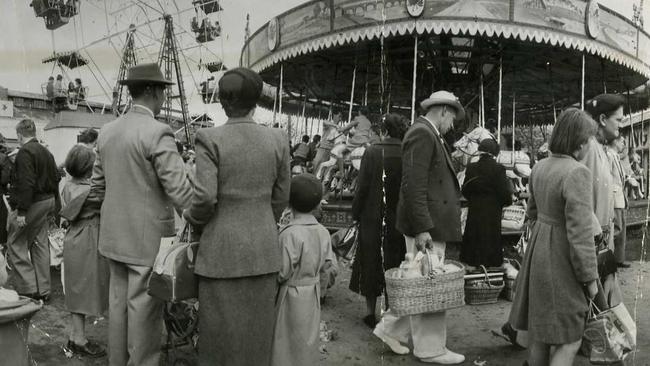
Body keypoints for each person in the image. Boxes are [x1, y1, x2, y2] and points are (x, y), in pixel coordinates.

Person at [182, 67, 290, 366]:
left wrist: (191, 216)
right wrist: (260, 221)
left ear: (222, 101)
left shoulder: (210, 138)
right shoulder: (278, 139)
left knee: (219, 341)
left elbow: (204, 197)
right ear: (256, 101)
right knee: (256, 338)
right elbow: (281, 197)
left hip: (221, 252)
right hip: (263, 250)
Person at [87, 63, 193, 366]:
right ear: (152, 91)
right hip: (147, 240)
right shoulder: (158, 131)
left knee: (118, 307)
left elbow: (97, 187)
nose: (164, 98)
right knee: (145, 315)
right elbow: (180, 191)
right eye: (163, 91)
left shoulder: (107, 131)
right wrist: (200, 218)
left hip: (113, 237)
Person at [373, 91, 466, 364]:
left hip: (428, 223)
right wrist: (423, 227)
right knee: (430, 285)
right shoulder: (422, 134)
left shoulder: (427, 133)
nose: (453, 124)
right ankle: (430, 348)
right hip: (427, 226)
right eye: (453, 117)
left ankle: (389, 330)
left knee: (417, 281)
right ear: (444, 111)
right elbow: (413, 185)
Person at [509, 108, 599, 366]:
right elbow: (580, 234)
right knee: (570, 337)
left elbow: (532, 212)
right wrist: (590, 279)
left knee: (540, 332)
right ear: (581, 144)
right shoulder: (577, 172)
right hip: (562, 260)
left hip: (538, 254)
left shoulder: (539, 167)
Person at [270, 173, 337, 366]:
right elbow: (327, 265)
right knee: (307, 338)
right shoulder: (323, 231)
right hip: (312, 292)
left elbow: (282, 272)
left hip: (290, 293)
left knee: (285, 337)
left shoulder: (289, 234)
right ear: (317, 203)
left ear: (289, 203)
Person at [350, 114, 408, 328]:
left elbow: (362, 187)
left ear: (383, 131)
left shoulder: (372, 152)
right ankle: (393, 310)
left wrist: (356, 213)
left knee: (371, 261)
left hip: (373, 217)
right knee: (397, 262)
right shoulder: (407, 152)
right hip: (400, 218)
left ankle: (369, 312)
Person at [59, 145, 108, 358]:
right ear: (89, 169)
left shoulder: (68, 185)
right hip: (88, 240)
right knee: (85, 292)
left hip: (74, 239)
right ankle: (79, 339)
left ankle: (75, 335)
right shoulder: (92, 192)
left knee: (76, 290)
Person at [7, 119, 60, 301]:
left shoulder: (24, 152)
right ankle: (43, 290)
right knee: (40, 243)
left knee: (16, 242)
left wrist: (21, 212)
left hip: (33, 203)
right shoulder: (46, 151)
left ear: (20, 135)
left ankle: (28, 288)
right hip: (48, 201)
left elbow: (26, 182)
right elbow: (56, 178)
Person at [582, 93, 625, 309]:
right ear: (601, 119)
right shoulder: (588, 148)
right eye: (618, 120)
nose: (621, 125)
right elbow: (581, 199)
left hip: (600, 243)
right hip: (590, 242)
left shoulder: (601, 149)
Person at [460, 138, 512, 268]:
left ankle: (472, 266)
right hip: (492, 211)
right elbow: (503, 192)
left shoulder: (471, 167)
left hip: (475, 209)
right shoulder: (499, 169)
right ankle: (490, 268)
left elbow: (465, 189)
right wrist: (506, 202)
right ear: (494, 152)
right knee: (490, 238)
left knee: (474, 237)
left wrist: (474, 199)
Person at [608, 136, 629, 268]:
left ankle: (618, 259)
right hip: (615, 198)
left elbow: (618, 176)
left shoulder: (616, 156)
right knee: (616, 229)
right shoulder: (609, 155)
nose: (624, 145)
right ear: (615, 141)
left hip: (620, 197)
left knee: (621, 229)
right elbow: (608, 176)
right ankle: (609, 260)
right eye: (622, 142)